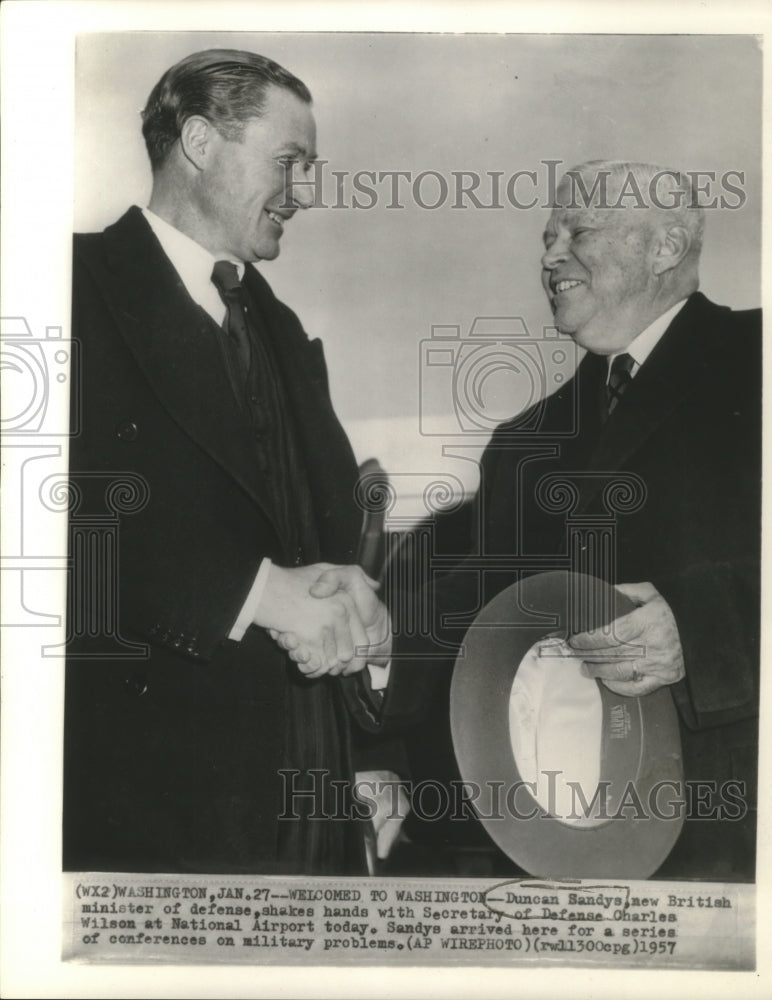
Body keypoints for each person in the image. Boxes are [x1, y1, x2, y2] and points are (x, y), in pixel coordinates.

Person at [306, 160, 761, 880]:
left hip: (734, 837)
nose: (550, 255)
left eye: (579, 231)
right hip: (543, 845)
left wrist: (701, 628)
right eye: (547, 235)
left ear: (666, 246)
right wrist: (383, 750)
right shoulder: (525, 441)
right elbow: (473, 617)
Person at [63, 49, 390, 876]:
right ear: (201, 143)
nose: (306, 192)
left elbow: (321, 535)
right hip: (158, 804)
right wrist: (254, 593)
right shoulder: (62, 288)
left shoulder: (276, 326)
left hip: (312, 791)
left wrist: (358, 613)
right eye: (290, 162)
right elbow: (43, 531)